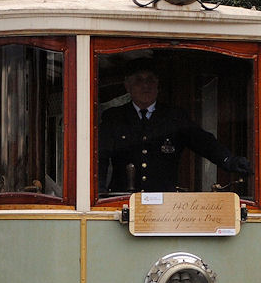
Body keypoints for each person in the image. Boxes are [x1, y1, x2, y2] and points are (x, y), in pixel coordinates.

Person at [98, 60, 252, 194]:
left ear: (158, 85)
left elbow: (204, 142)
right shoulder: (114, 117)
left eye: (151, 80)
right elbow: (101, 157)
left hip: (164, 205)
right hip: (121, 200)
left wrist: (229, 160)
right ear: (127, 86)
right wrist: (99, 191)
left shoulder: (174, 116)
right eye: (139, 80)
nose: (145, 85)